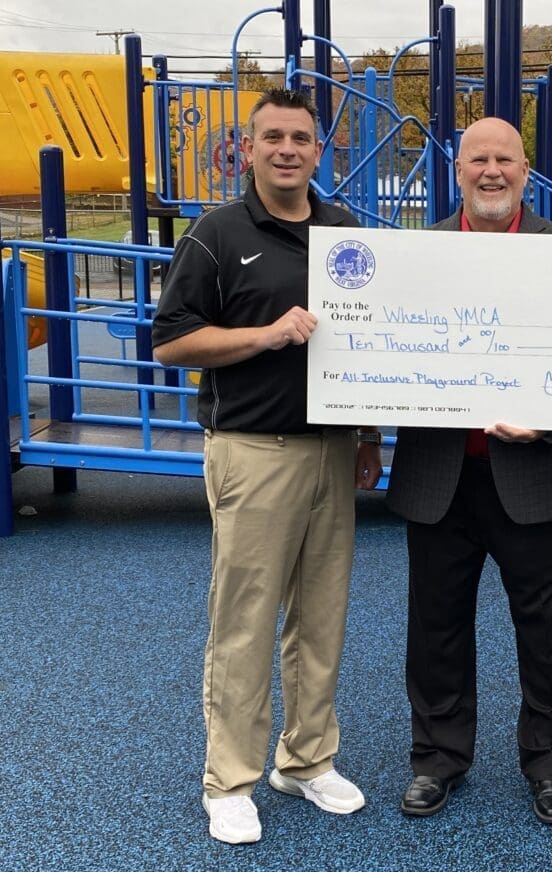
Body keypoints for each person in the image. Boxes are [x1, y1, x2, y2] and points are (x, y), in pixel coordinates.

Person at [152, 87, 382, 845]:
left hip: (332, 449)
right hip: (253, 451)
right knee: (244, 621)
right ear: (246, 149)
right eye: (273, 137)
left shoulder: (346, 230)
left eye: (302, 139)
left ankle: (307, 759)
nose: (288, 149)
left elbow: (370, 343)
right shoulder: (216, 234)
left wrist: (371, 435)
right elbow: (171, 342)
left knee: (322, 618)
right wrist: (264, 334)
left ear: (321, 152)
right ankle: (230, 779)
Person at [385, 116, 552, 825]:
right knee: (435, 628)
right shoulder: (412, 256)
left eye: (505, 160)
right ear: (458, 170)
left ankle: (550, 763)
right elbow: (379, 358)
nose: (492, 172)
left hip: (535, 472)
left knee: (546, 632)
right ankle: (437, 757)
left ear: (526, 172)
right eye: (479, 160)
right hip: (438, 475)